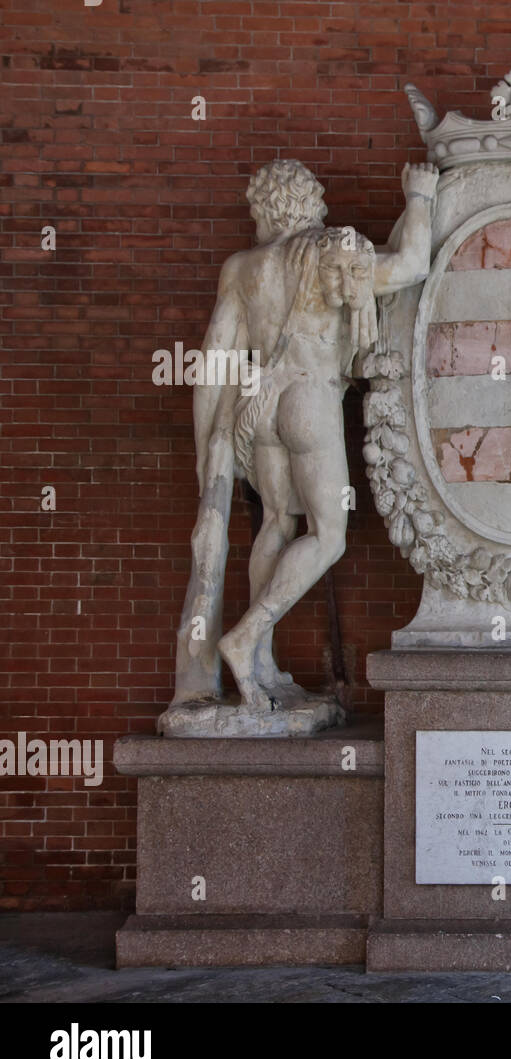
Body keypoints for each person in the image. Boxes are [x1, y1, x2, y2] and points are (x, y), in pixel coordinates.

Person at [169, 159, 437, 715]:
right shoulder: (331, 252)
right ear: (309, 202)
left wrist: (209, 448)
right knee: (330, 534)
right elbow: (412, 265)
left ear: (269, 208)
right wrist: (420, 198)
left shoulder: (241, 268)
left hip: (256, 404)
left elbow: (213, 363)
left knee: (276, 522)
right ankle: (246, 636)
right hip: (307, 401)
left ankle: (261, 662)